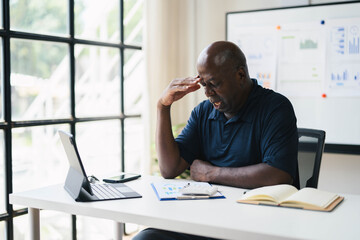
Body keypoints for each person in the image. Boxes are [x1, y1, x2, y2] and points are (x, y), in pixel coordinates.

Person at [133, 41, 298, 240]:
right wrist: (163, 106)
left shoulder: (275, 108)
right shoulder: (203, 113)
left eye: (214, 84)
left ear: (240, 75)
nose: (208, 93)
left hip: (254, 226)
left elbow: (278, 175)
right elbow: (170, 169)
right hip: (206, 221)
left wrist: (211, 173)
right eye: (203, 84)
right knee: (146, 238)